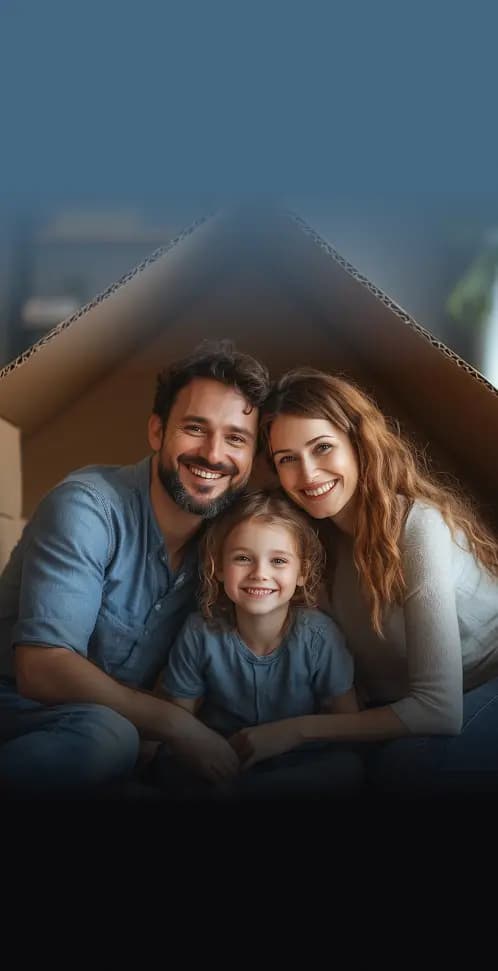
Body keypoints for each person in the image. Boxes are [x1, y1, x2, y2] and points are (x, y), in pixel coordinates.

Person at [0, 339, 270, 797]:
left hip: (120, 729)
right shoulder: (88, 508)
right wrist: (170, 724)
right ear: (156, 432)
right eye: (195, 428)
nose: (213, 453)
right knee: (108, 738)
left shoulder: (231, 542)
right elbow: (41, 667)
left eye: (236, 438)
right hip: (19, 705)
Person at [245, 367, 498, 797]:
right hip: (403, 706)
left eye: (322, 447)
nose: (307, 474)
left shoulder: (418, 527)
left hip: (484, 681)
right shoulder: (315, 544)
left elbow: (439, 710)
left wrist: (298, 731)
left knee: (408, 767)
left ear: (358, 444)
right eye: (288, 459)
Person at [157, 489, 363, 800]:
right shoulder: (200, 631)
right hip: (224, 758)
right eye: (242, 558)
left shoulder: (319, 636)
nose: (260, 574)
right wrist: (200, 752)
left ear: (302, 573)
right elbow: (178, 717)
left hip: (299, 761)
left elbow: (349, 722)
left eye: (278, 560)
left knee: (348, 768)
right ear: (219, 567)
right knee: (168, 765)